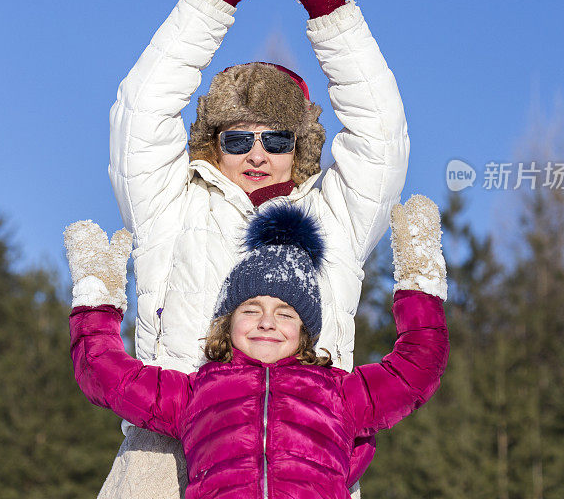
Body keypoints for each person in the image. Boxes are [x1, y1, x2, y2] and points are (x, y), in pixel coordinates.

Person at [105, 0, 410, 497]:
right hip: (168, 456)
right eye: (237, 137)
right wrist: (214, 0)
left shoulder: (333, 217)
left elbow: (380, 139)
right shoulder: (173, 202)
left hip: (306, 455)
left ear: (301, 148)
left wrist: (333, 19)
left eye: (276, 138)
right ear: (210, 145)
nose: (256, 153)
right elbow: (141, 115)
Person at [65, 197, 449, 499]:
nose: (267, 321)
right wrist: (96, 301)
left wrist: (419, 283)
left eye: (285, 314)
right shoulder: (196, 394)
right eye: (251, 309)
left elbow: (416, 367)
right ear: (228, 323)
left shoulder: (339, 394)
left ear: (304, 332)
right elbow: (107, 376)